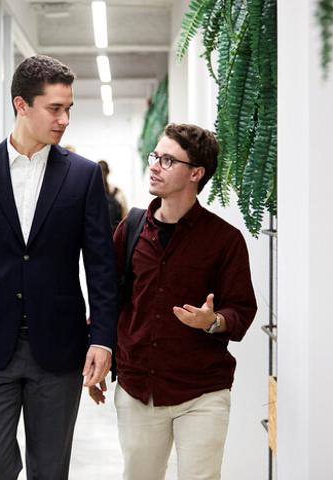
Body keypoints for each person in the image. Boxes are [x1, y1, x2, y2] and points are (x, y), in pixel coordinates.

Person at [0, 54, 118, 480]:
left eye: (69, 108)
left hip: (60, 347)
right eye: (55, 108)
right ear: (22, 105)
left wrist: (103, 339)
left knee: (50, 471)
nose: (64, 119)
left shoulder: (83, 176)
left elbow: (101, 267)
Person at [92, 123, 257, 480]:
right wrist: (98, 355)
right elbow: (109, 300)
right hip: (139, 390)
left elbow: (242, 310)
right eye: (156, 156)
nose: (154, 166)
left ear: (195, 173)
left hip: (201, 392)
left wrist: (212, 321)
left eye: (168, 160)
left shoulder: (224, 240)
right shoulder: (131, 228)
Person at [97, 160, 127, 232]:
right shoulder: (92, 193)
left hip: (114, 234)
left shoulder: (117, 192)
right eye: (100, 171)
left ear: (107, 172)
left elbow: (125, 216)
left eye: (103, 171)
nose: (102, 174)